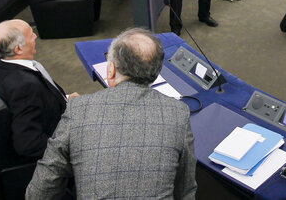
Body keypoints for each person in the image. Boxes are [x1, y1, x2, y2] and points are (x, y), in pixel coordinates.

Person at [26, 28, 197, 199]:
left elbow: (39, 193)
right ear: (155, 72)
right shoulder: (177, 113)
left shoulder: (78, 110)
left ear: (111, 70)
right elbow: (186, 189)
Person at [0, 19, 78, 159]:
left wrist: (64, 99)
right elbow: (29, 143)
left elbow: (36, 104)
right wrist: (71, 147)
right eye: (31, 35)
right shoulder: (25, 86)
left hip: (57, 113)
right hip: (61, 134)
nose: (35, 36)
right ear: (18, 49)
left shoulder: (0, 65)